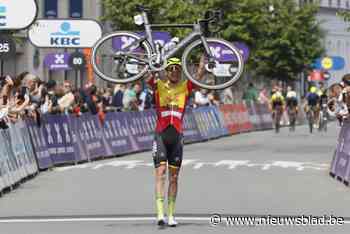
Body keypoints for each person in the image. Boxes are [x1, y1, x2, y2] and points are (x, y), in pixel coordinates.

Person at [148, 57, 204, 227]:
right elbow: (148, 76)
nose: (174, 72)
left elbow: (199, 76)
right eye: (171, 69)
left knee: (174, 177)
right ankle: (160, 214)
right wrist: (152, 63)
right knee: (160, 173)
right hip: (161, 135)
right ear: (166, 71)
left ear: (180, 72)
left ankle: (171, 215)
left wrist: (202, 63)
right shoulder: (158, 85)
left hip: (177, 136)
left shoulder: (185, 87)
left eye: (177, 69)